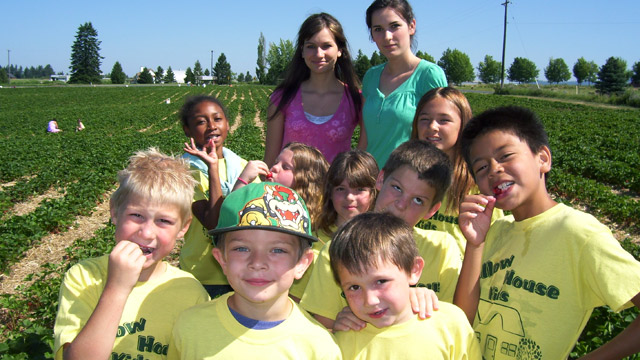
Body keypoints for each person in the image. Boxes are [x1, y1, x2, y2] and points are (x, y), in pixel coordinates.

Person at [454, 106, 640, 359]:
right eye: (482, 167)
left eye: (506, 155)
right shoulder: (494, 231)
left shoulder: (578, 233)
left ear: (543, 159)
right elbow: (462, 319)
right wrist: (475, 244)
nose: (495, 169)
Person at [53, 148, 209, 360]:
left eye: (163, 221)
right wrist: (117, 288)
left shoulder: (191, 292)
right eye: (136, 215)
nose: (146, 233)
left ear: (183, 228)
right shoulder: (83, 277)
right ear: (115, 213)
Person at [167, 183, 341, 359]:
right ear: (222, 259)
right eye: (242, 248)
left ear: (302, 263)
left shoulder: (319, 347)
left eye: (278, 250)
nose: (257, 263)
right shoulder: (190, 327)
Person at [301, 139, 461, 329]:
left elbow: (455, 322)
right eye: (397, 188)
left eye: (418, 200)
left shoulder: (442, 248)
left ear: (432, 211)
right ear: (381, 179)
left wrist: (428, 306)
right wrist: (336, 326)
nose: (401, 204)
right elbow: (320, 330)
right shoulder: (336, 250)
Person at [331, 212, 481, 359]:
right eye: (354, 287)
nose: (370, 300)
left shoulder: (452, 324)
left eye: (381, 281)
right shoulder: (342, 342)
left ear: (414, 270)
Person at [411, 87, 503, 254]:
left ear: (463, 125)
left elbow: (496, 241)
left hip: (458, 275)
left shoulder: (480, 183)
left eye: (444, 120)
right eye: (425, 119)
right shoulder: (406, 175)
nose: (432, 126)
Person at [179, 95, 254, 299]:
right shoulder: (184, 172)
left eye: (217, 119)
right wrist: (213, 168)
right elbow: (214, 225)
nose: (211, 126)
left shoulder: (241, 166)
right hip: (202, 275)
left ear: (228, 125)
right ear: (187, 129)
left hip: (242, 273)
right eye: (201, 122)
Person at [264, 12, 364, 166]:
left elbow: (365, 154)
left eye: (326, 46)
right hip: (288, 190)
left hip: (333, 189)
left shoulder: (355, 99)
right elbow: (270, 160)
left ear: (340, 50)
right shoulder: (282, 98)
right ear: (302, 51)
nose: (319, 54)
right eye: (311, 46)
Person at [362, 0, 447, 167]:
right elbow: (365, 136)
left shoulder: (429, 75)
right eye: (378, 29)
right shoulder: (370, 77)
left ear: (411, 26)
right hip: (369, 180)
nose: (387, 36)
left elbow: (443, 136)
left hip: (408, 182)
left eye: (394, 26)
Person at [290, 149, 379, 300]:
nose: (350, 197)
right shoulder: (310, 239)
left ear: (374, 191)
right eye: (341, 189)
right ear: (330, 192)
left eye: (360, 189)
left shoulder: (384, 238)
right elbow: (294, 297)